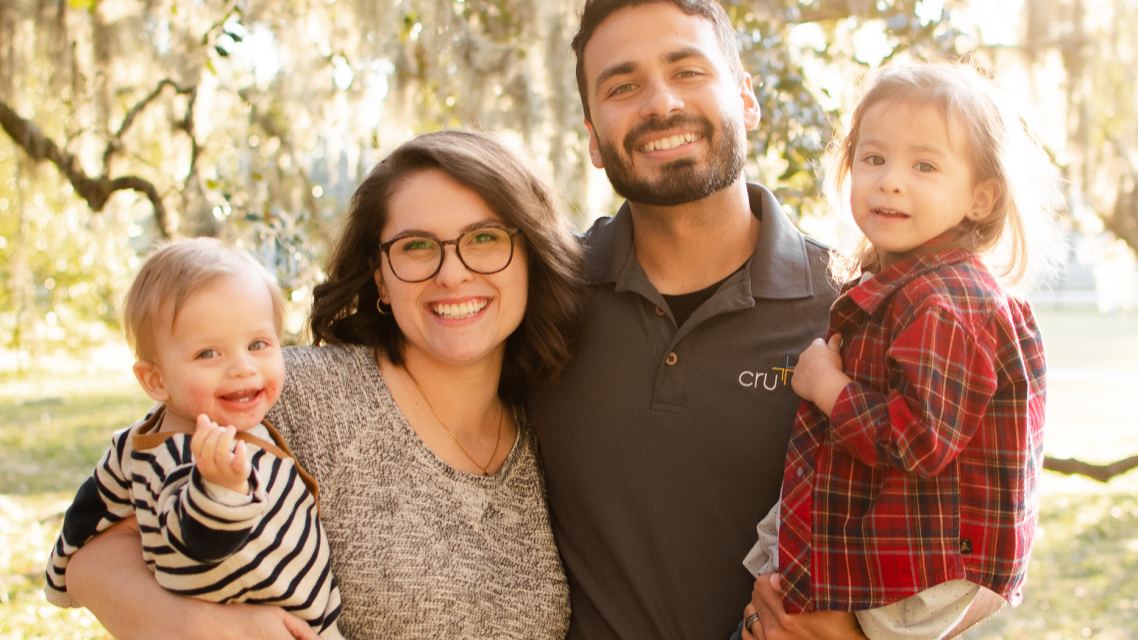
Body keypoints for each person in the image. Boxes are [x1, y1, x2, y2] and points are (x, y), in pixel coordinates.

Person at [63, 129, 584, 639]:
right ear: (380, 278)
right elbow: (89, 555)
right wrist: (211, 629)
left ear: (529, 255)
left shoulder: (555, 424)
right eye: (417, 246)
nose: (452, 273)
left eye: (485, 238)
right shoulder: (287, 394)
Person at [527, 1, 859, 638]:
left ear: (746, 98)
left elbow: (980, 530)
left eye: (687, 71)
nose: (660, 104)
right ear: (592, 137)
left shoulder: (853, 305)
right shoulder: (541, 296)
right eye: (622, 87)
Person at [738, 62, 1062, 639]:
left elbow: (916, 440)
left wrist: (827, 386)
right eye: (873, 158)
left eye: (924, 166)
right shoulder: (909, 284)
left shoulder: (944, 302)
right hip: (910, 552)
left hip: (916, 571)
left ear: (981, 197)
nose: (890, 181)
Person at [44, 238, 343, 638]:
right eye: (208, 354)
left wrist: (60, 568)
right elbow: (194, 544)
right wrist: (218, 489)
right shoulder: (179, 457)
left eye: (257, 344)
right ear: (156, 380)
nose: (242, 367)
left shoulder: (146, 440)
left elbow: (89, 511)